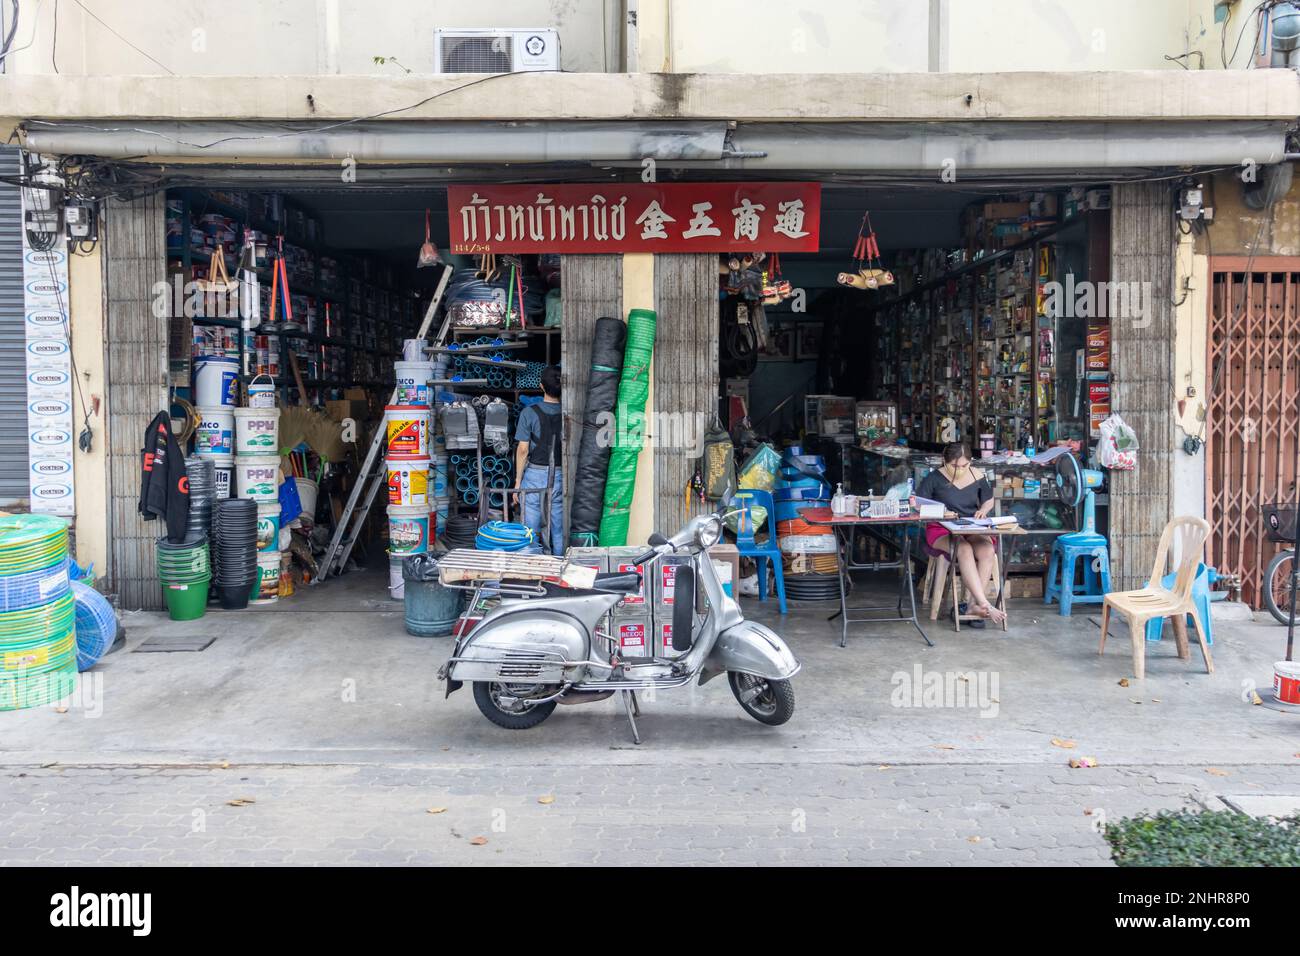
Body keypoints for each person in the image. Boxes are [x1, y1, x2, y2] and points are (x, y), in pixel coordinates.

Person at [913, 442, 1005, 626]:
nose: (960, 470)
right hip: (940, 528)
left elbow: (988, 500)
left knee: (987, 550)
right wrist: (939, 512)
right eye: (955, 466)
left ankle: (972, 605)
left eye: (964, 465)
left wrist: (983, 511)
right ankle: (985, 603)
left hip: (969, 525)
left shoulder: (977, 476)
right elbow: (917, 503)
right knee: (962, 549)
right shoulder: (934, 478)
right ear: (945, 461)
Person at [514, 366, 564, 554]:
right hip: (560, 473)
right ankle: (559, 565)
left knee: (530, 528)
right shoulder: (568, 413)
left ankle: (531, 566)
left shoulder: (529, 412)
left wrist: (518, 481)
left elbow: (523, 449)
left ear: (541, 386)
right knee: (558, 528)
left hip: (534, 473)